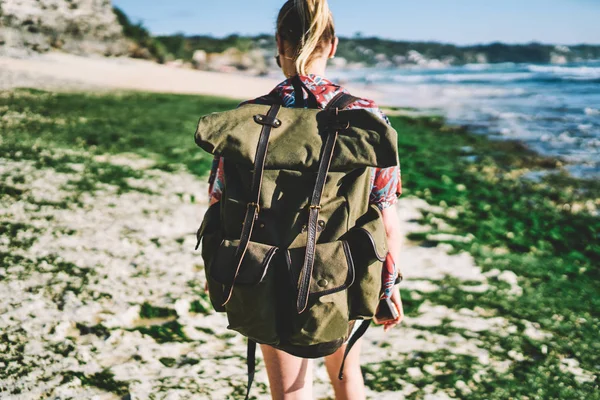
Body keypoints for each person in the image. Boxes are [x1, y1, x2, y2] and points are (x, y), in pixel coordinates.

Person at [207, 1, 404, 398]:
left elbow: (217, 204)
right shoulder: (364, 117)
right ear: (331, 45)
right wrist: (388, 284)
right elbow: (385, 212)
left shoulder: (248, 119)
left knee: (291, 393)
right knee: (347, 376)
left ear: (279, 42)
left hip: (264, 273)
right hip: (343, 273)